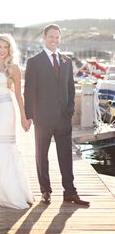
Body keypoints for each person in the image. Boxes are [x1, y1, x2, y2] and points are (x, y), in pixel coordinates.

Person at [24, 24, 90, 206]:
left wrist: (69, 110)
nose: (54, 40)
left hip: (63, 118)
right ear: (44, 38)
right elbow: (29, 91)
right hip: (43, 118)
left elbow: (70, 87)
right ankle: (45, 191)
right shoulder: (34, 62)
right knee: (41, 155)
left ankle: (70, 191)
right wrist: (28, 115)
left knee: (66, 156)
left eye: (57, 37)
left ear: (59, 39)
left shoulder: (66, 61)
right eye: (51, 36)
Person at [0, 33, 34, 209]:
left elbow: (19, 95)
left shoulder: (13, 68)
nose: (2, 50)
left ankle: (13, 193)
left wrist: (24, 117)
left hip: (6, 111)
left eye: (5, 47)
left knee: (5, 148)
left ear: (10, 49)